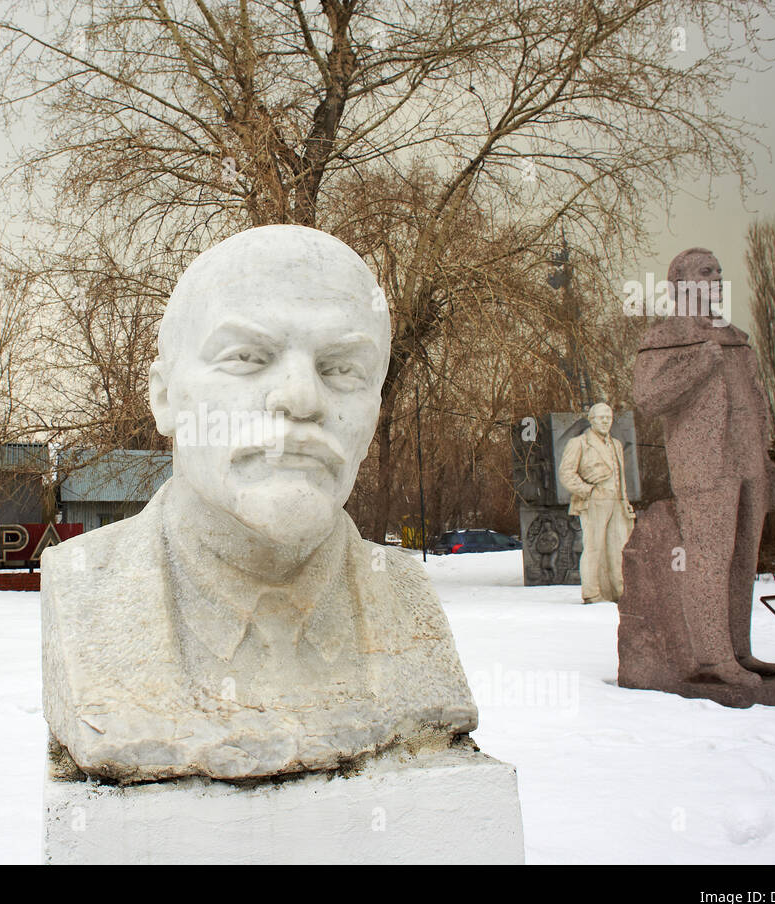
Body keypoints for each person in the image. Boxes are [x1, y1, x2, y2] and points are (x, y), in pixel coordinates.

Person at [41, 225, 477, 783]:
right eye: (247, 356)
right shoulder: (87, 597)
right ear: (165, 397)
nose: (301, 399)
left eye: (343, 369)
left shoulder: (410, 610)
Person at [631, 247, 775, 688]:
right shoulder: (664, 336)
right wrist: (699, 365)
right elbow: (648, 399)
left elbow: (756, 400)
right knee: (708, 557)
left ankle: (740, 649)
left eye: (719, 271)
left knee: (744, 558)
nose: (717, 278)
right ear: (680, 281)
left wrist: (768, 459)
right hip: (704, 461)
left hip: (749, 458)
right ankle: (712, 657)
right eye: (707, 271)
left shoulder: (735, 336)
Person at [557, 403, 634, 602]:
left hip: (616, 501)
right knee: (593, 547)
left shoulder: (616, 444)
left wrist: (624, 501)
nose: (606, 421)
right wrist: (588, 491)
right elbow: (566, 474)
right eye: (601, 418)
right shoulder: (579, 443)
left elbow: (620, 476)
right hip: (593, 502)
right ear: (591, 420)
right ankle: (592, 592)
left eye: (608, 417)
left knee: (618, 547)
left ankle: (619, 590)